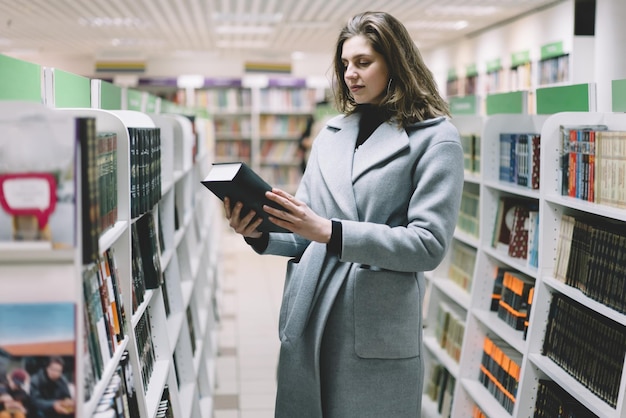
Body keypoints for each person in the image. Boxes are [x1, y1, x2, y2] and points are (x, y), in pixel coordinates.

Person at [224, 11, 464, 418]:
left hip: (374, 321)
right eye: (345, 64)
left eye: (363, 63)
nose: (350, 74)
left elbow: (428, 246)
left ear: (395, 63)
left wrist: (331, 231)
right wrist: (260, 233)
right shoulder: (332, 134)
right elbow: (305, 229)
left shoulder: (437, 140)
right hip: (313, 307)